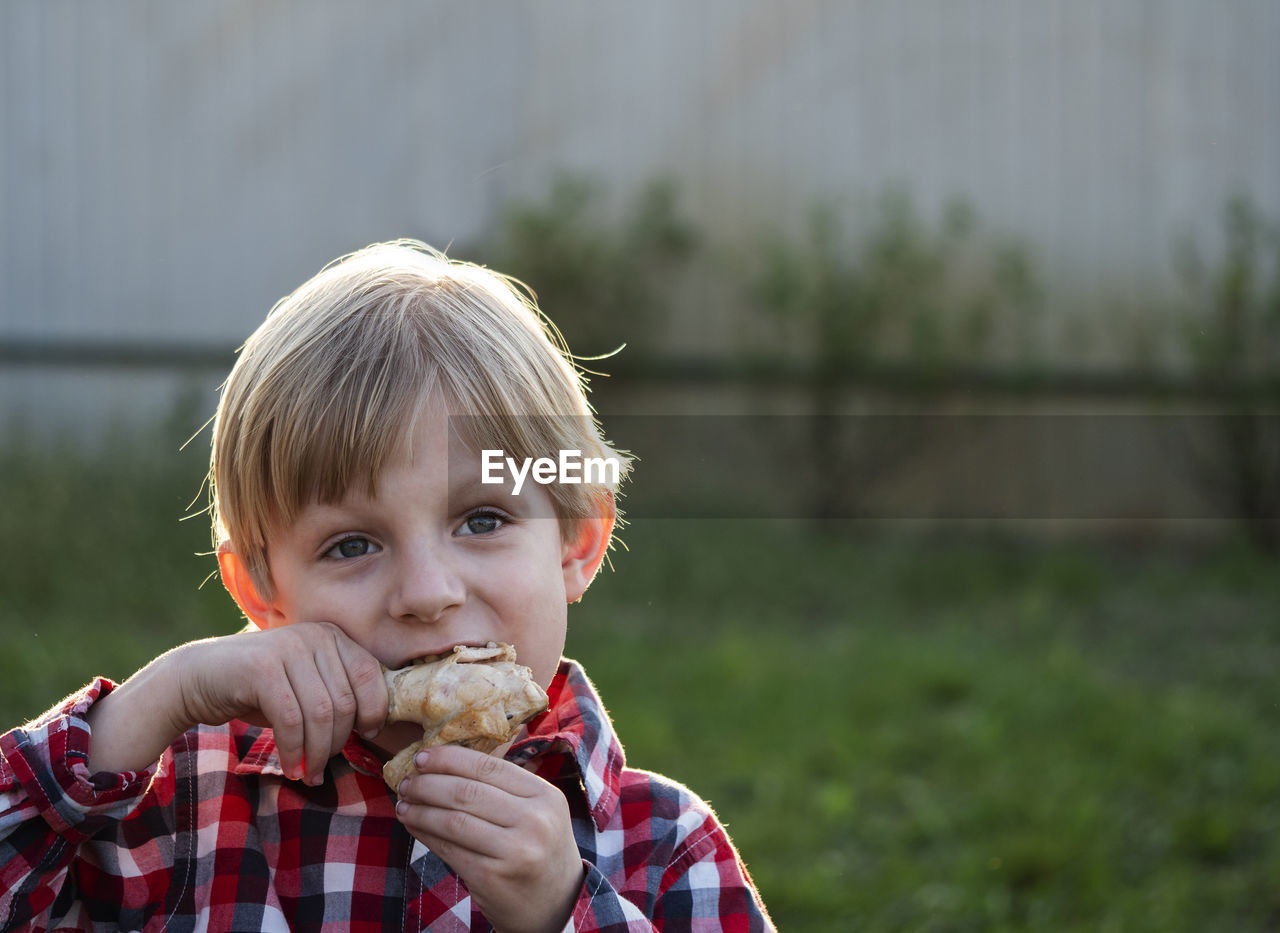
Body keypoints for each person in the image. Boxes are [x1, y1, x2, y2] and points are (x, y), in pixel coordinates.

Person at [0, 242, 774, 932]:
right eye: (353, 543)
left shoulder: (666, 850)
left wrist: (561, 909)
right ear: (260, 591)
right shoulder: (171, 810)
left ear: (576, 539)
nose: (426, 591)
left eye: (480, 520)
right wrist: (157, 698)